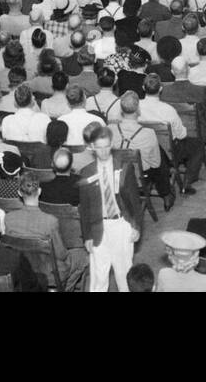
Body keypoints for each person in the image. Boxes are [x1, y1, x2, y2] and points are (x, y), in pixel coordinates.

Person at [77, 125, 143, 292]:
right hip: (98, 227)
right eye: (99, 148)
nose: (104, 152)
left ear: (111, 144)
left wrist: (136, 226)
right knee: (99, 277)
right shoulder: (86, 173)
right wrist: (87, 236)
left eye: (107, 146)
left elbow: (135, 201)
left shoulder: (124, 168)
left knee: (124, 274)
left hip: (121, 224)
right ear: (92, 147)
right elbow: (84, 208)